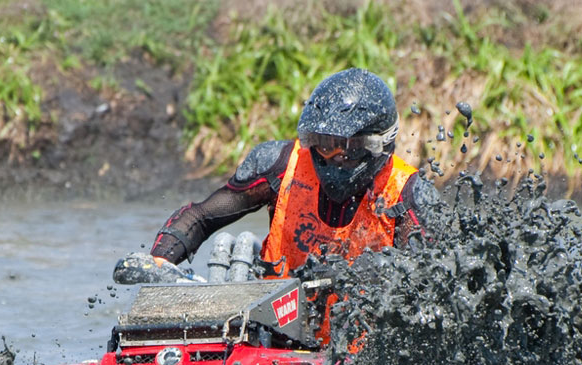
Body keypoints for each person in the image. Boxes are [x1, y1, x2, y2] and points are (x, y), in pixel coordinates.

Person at [147, 67, 440, 278]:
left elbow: (430, 287)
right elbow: (200, 217)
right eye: (322, 144)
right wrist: (156, 264)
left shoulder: (408, 194)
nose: (330, 156)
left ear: (376, 145)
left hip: (362, 352)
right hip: (273, 340)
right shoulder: (279, 164)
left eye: (342, 147)